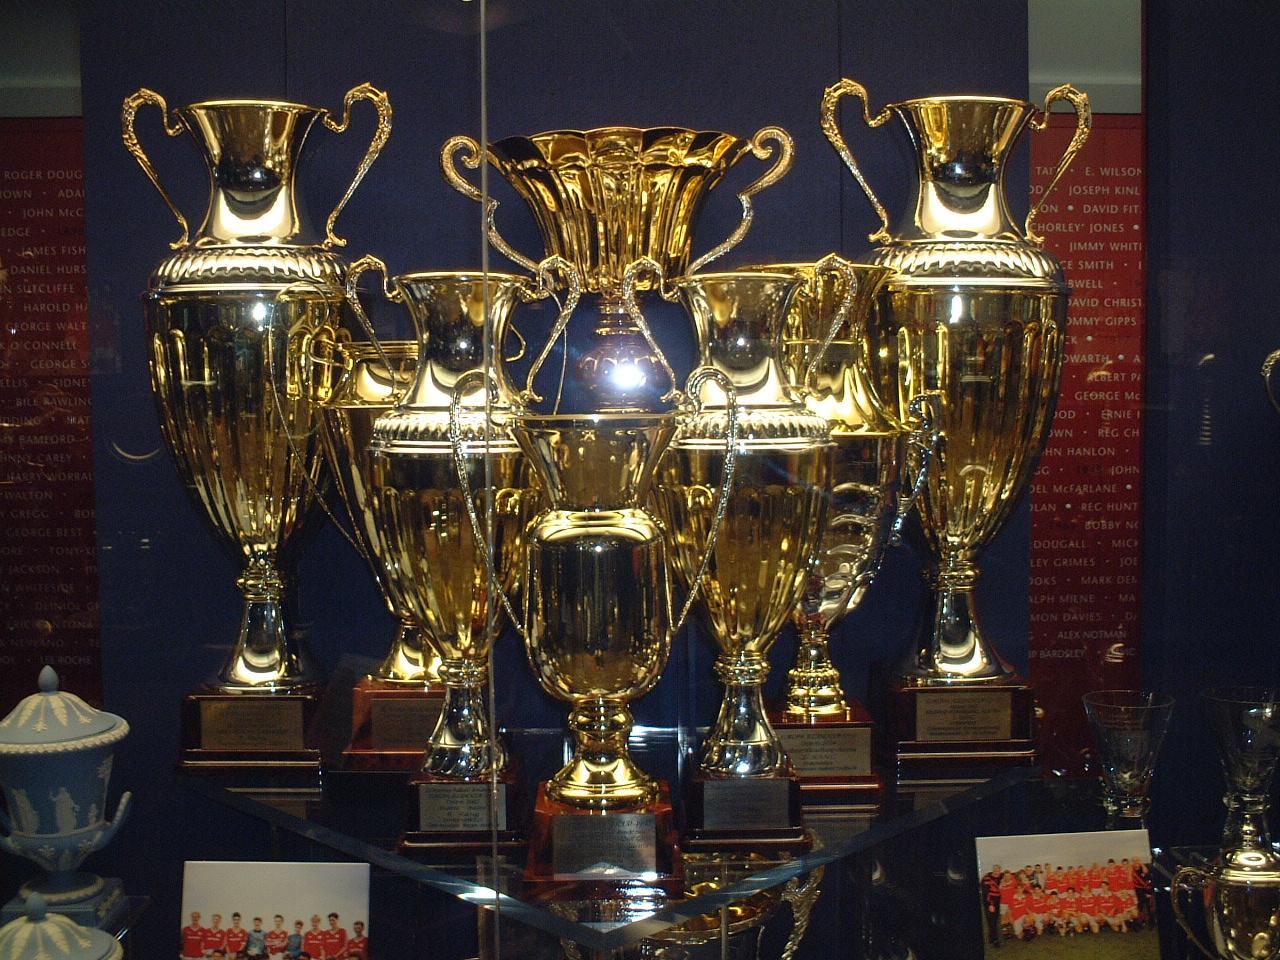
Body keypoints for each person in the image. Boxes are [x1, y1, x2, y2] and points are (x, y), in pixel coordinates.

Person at [980, 864, 1005, 947]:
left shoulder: (1001, 876)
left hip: (997, 902)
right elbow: (985, 893)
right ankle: (995, 940)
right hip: (990, 903)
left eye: (998, 870)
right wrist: (990, 904)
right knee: (992, 921)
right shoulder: (986, 879)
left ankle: (991, 938)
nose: (996, 872)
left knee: (994, 920)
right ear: (992, 870)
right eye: (995, 870)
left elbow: (1009, 875)